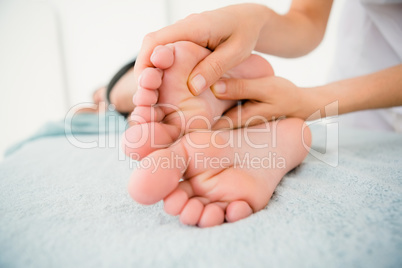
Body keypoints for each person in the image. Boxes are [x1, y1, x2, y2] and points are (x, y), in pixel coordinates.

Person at [133, 1, 402, 130]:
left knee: (295, 132)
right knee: (296, 133)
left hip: (355, 93)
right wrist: (256, 20)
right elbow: (307, 19)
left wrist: (312, 100)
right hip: (360, 85)